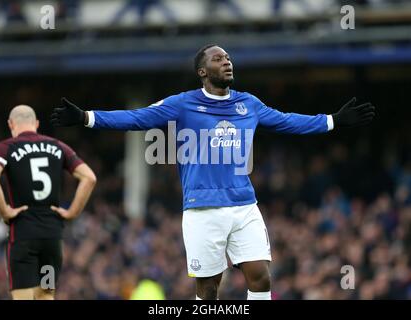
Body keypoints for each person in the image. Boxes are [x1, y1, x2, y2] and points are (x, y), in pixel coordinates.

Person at [50, 44, 375, 300]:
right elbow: (137, 118)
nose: (227, 62)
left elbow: (289, 120)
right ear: (203, 71)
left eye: (229, 57)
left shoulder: (248, 103)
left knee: (260, 276)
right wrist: (86, 117)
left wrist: (332, 120)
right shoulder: (182, 103)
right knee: (208, 289)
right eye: (219, 59)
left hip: (244, 205)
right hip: (202, 209)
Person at [0, 105, 96, 300]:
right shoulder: (58, 146)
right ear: (36, 124)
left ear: (11, 124)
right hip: (52, 240)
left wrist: (4, 211)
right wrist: (72, 212)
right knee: (46, 295)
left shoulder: (5, 148)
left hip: (23, 238)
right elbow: (89, 178)